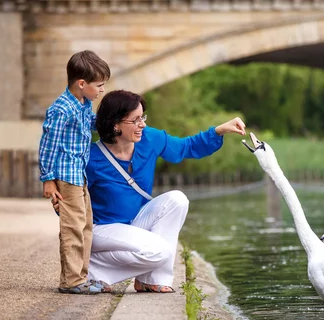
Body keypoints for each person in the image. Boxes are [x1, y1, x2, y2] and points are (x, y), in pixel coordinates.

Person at [55, 89, 246, 293]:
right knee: (160, 251)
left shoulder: (150, 139)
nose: (142, 125)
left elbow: (185, 147)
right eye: (135, 120)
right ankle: (96, 271)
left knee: (177, 200)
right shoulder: (91, 158)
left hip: (135, 222)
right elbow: (69, 203)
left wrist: (219, 130)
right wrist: (60, 200)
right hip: (102, 229)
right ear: (115, 124)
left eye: (142, 117)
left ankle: (151, 279)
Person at [39, 50, 111, 294]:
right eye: (99, 85)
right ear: (82, 83)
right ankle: (71, 281)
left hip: (79, 174)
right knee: (72, 227)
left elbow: (90, 122)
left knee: (85, 225)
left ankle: (82, 276)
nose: (101, 90)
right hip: (66, 176)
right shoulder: (61, 109)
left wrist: (112, 122)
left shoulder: (83, 104)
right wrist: (48, 179)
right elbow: (49, 145)